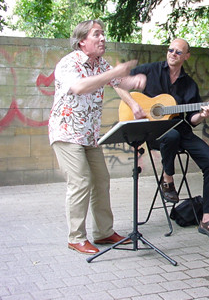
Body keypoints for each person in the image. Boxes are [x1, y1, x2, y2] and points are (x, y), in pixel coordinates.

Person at [49, 19, 147, 255]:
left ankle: (104, 233)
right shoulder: (68, 64)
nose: (103, 38)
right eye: (96, 35)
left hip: (89, 135)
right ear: (82, 41)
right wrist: (113, 73)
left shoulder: (100, 64)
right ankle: (76, 237)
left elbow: (116, 82)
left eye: (103, 34)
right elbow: (81, 87)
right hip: (67, 133)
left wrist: (132, 82)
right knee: (81, 181)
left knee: (101, 180)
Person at [122, 38, 209, 240]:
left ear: (186, 56)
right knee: (171, 134)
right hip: (152, 131)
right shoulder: (151, 70)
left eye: (178, 52)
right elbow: (119, 82)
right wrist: (134, 105)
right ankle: (167, 179)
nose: (172, 54)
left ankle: (207, 219)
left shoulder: (189, 84)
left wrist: (203, 115)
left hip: (182, 131)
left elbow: (192, 120)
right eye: (170, 50)